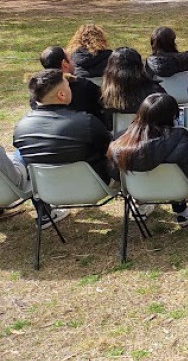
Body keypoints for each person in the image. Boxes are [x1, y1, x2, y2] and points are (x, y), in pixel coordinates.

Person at [14, 69, 114, 227]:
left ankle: (45, 214)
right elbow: (110, 149)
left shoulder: (20, 128)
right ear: (61, 94)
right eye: (68, 85)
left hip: (48, 191)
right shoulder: (86, 122)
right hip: (94, 188)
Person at [108, 93, 188, 227]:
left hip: (140, 191)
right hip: (178, 189)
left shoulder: (120, 143)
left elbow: (117, 176)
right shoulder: (182, 142)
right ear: (172, 116)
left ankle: (183, 212)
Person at [100, 47, 165, 128]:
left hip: (116, 138)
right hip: (149, 136)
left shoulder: (102, 97)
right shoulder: (155, 93)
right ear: (140, 66)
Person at [38, 45, 102, 118]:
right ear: (64, 63)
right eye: (70, 58)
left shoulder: (39, 91)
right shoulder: (84, 86)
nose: (73, 61)